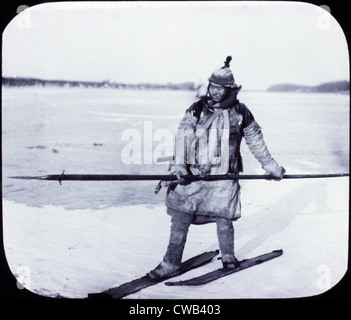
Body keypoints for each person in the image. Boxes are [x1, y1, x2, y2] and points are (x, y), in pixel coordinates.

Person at [148, 56, 285, 279]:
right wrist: (179, 166)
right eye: (212, 86)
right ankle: (170, 263)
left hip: (224, 176)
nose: (214, 91)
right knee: (181, 219)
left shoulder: (241, 113)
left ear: (230, 89)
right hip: (194, 175)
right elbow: (183, 137)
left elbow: (255, 140)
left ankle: (228, 257)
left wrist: (271, 167)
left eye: (220, 88)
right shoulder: (197, 109)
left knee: (224, 218)